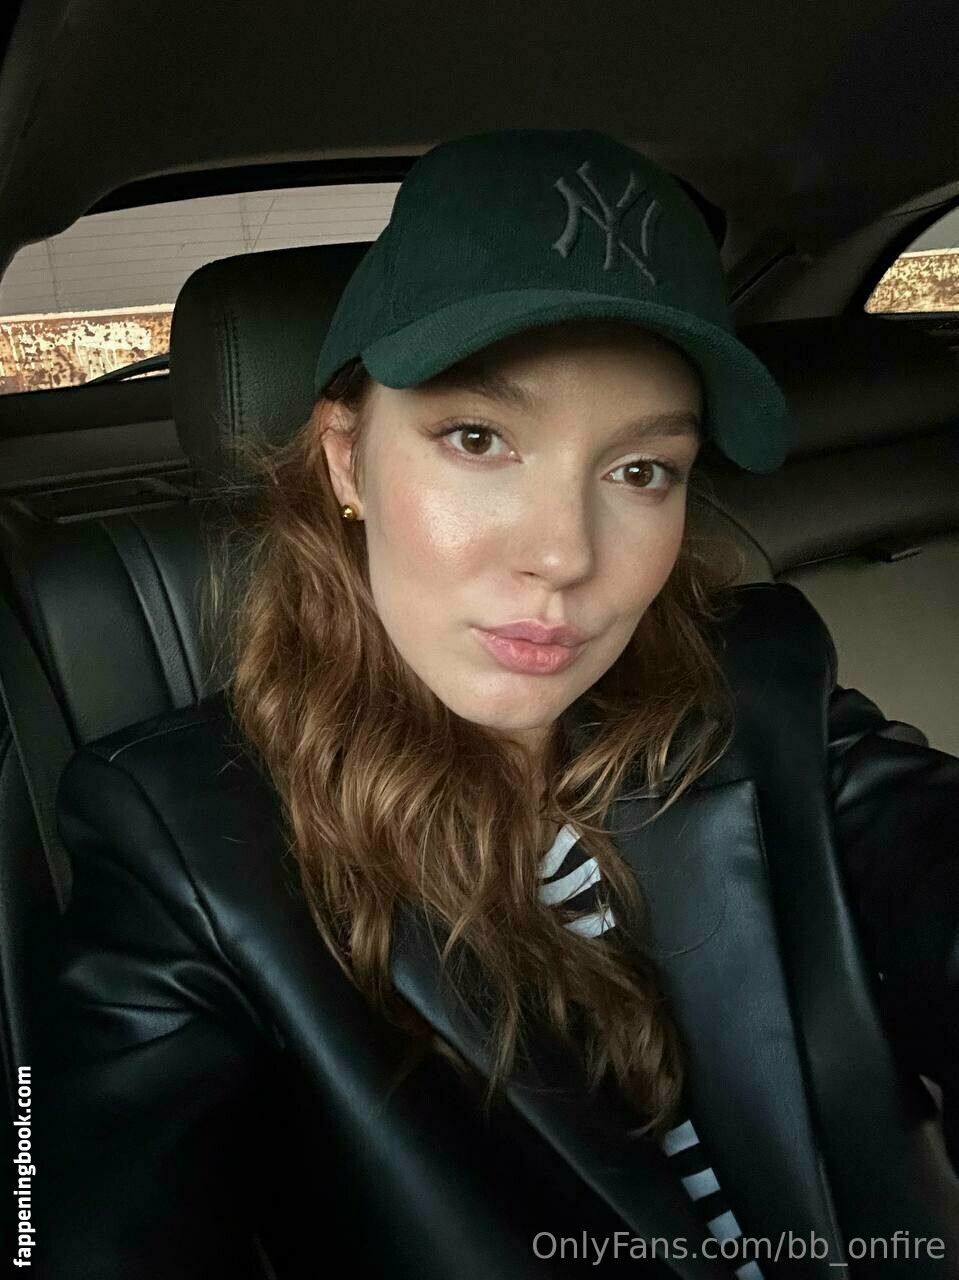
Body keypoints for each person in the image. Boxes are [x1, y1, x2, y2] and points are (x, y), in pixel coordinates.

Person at [33, 128, 959, 1279]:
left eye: (639, 470)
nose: (563, 554)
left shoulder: (763, 684)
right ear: (345, 460)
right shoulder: (177, 842)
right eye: (477, 438)